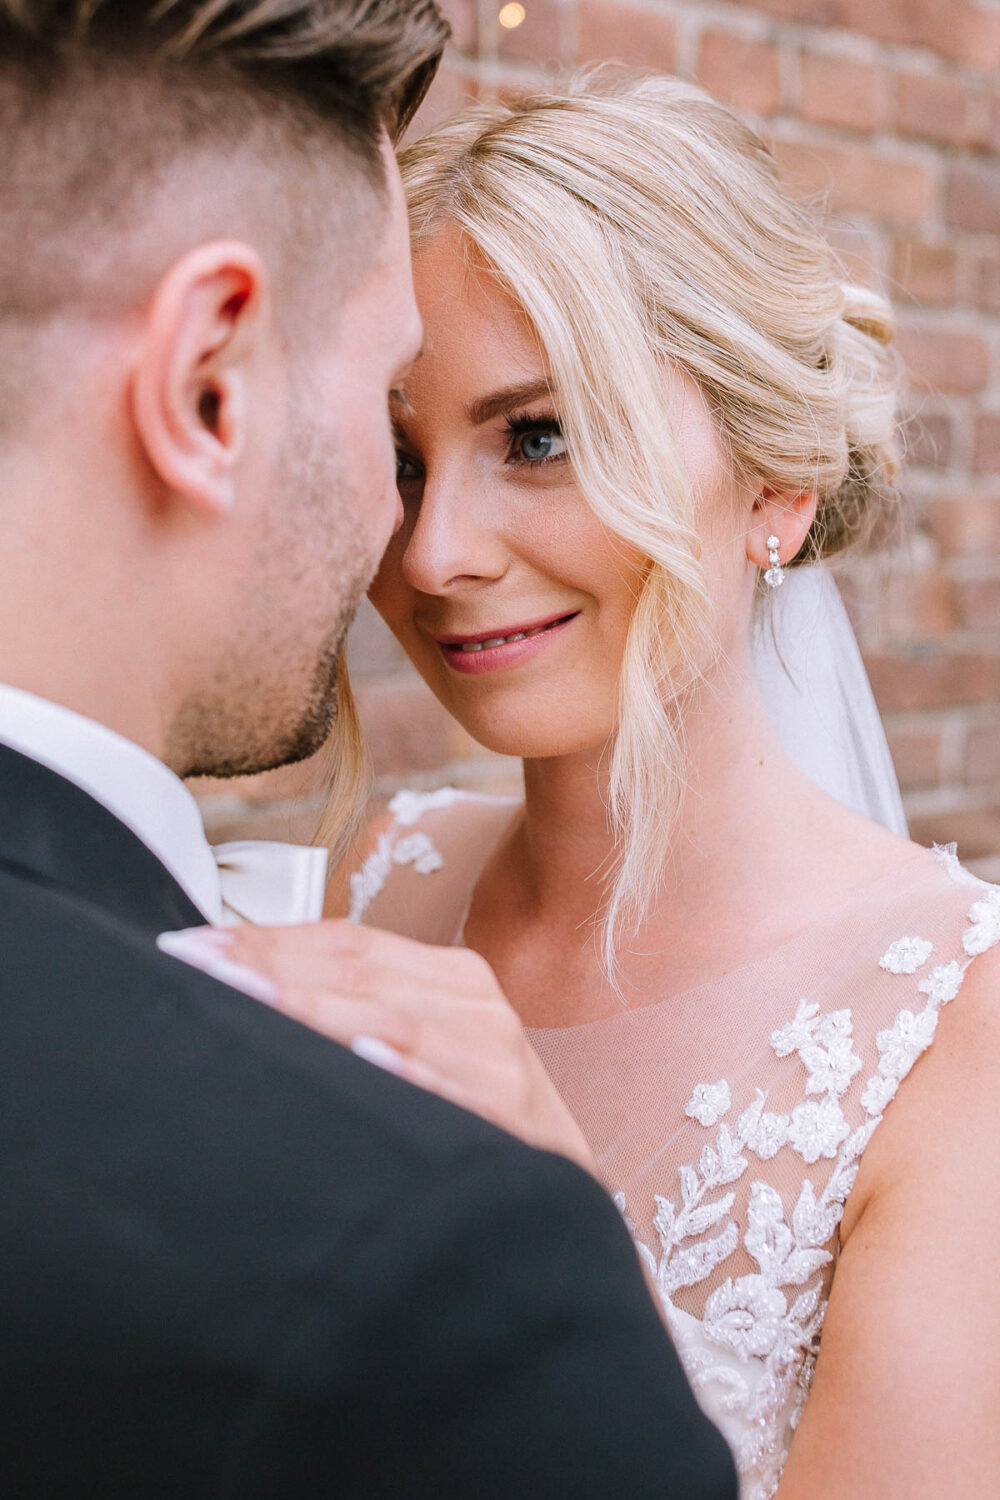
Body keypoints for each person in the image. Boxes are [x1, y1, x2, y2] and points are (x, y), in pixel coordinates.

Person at [216, 74, 1000, 1500]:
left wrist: (551, 1213)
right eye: (400, 459)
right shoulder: (376, 882)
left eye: (537, 437)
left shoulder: (959, 1038)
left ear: (777, 478)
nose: (436, 551)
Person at [0, 13, 738, 1496]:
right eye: (389, 428)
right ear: (210, 384)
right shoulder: (438, 1259)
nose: (430, 549)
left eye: (537, 437)